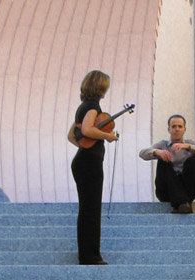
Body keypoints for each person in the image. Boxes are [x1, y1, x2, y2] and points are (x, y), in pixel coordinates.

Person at [67, 70, 118, 265]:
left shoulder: (83, 107)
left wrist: (87, 143)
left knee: (87, 208)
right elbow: (87, 129)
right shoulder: (93, 108)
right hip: (89, 163)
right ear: (100, 87)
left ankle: (88, 255)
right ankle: (90, 256)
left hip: (82, 160)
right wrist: (108, 136)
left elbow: (72, 136)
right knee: (91, 209)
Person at [139, 114, 195, 214]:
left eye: (180, 126)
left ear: (184, 129)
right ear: (169, 129)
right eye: (174, 126)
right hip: (166, 191)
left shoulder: (190, 143)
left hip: (187, 189)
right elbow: (142, 153)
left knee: (193, 161)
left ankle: (180, 203)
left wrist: (187, 146)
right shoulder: (163, 144)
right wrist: (157, 152)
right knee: (163, 160)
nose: (177, 129)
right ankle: (182, 204)